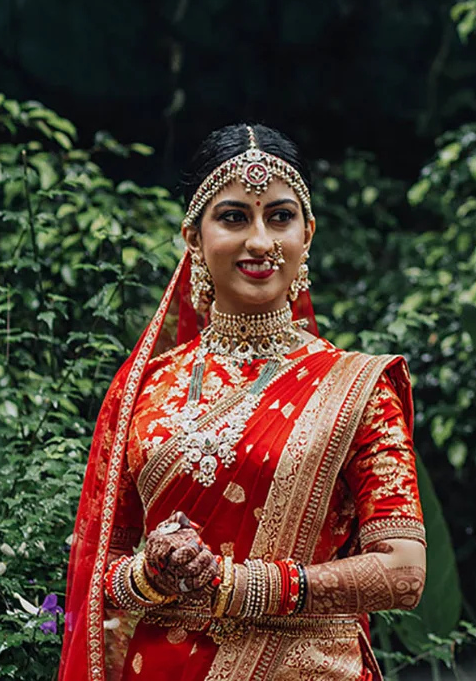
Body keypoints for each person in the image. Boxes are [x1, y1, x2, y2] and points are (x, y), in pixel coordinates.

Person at [58, 124, 426, 681]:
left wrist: (243, 586)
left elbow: (404, 572)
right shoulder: (146, 388)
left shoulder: (359, 388)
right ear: (193, 238)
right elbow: (99, 569)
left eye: (280, 217)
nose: (260, 241)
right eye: (233, 217)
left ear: (308, 233)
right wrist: (151, 573)